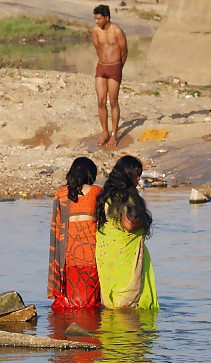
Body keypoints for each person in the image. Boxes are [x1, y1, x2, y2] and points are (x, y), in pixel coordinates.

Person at [95, 155, 159, 309]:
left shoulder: (107, 194)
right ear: (130, 175)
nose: (138, 180)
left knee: (112, 300)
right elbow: (129, 224)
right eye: (137, 176)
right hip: (125, 255)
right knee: (127, 303)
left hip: (107, 253)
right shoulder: (127, 196)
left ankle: (112, 331)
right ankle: (128, 331)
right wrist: (143, 221)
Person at [48, 157, 101, 311]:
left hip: (68, 255)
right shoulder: (97, 191)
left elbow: (56, 229)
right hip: (91, 254)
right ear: (90, 174)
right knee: (90, 305)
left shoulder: (61, 193)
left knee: (72, 303)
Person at [92, 4, 128, 147]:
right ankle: (105, 132)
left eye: (99, 19)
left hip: (115, 67)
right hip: (101, 67)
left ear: (107, 18)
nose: (96, 21)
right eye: (95, 18)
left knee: (113, 101)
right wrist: (103, 62)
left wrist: (118, 67)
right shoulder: (95, 31)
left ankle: (114, 134)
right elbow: (98, 48)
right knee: (101, 100)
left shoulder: (117, 31)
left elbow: (124, 51)